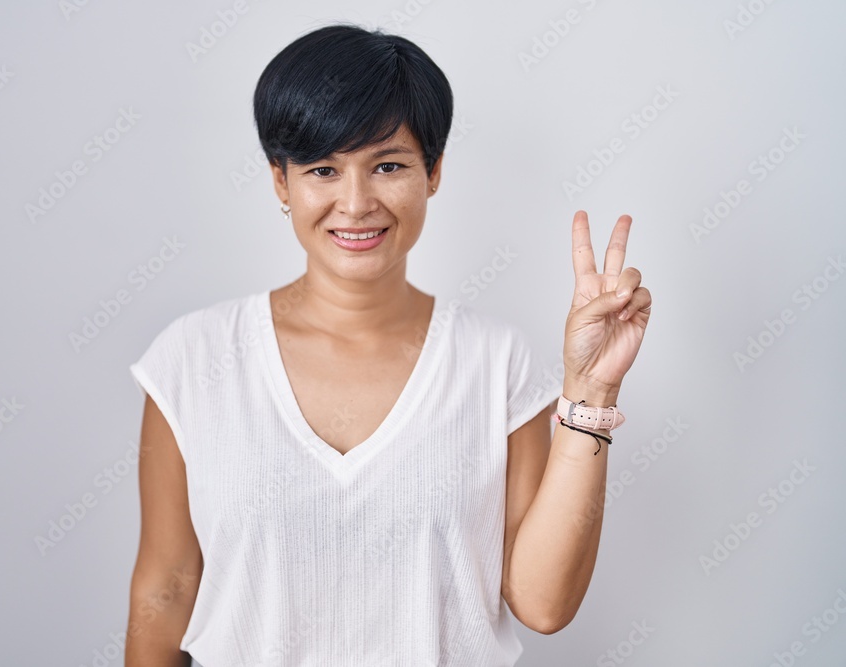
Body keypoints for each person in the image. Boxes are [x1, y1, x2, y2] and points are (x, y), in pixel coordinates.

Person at [124, 22, 651, 667]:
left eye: (388, 165)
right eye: (323, 169)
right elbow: (168, 585)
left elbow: (542, 604)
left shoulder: (496, 365)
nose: (356, 203)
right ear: (281, 183)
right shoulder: (194, 359)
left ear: (433, 173)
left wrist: (591, 391)